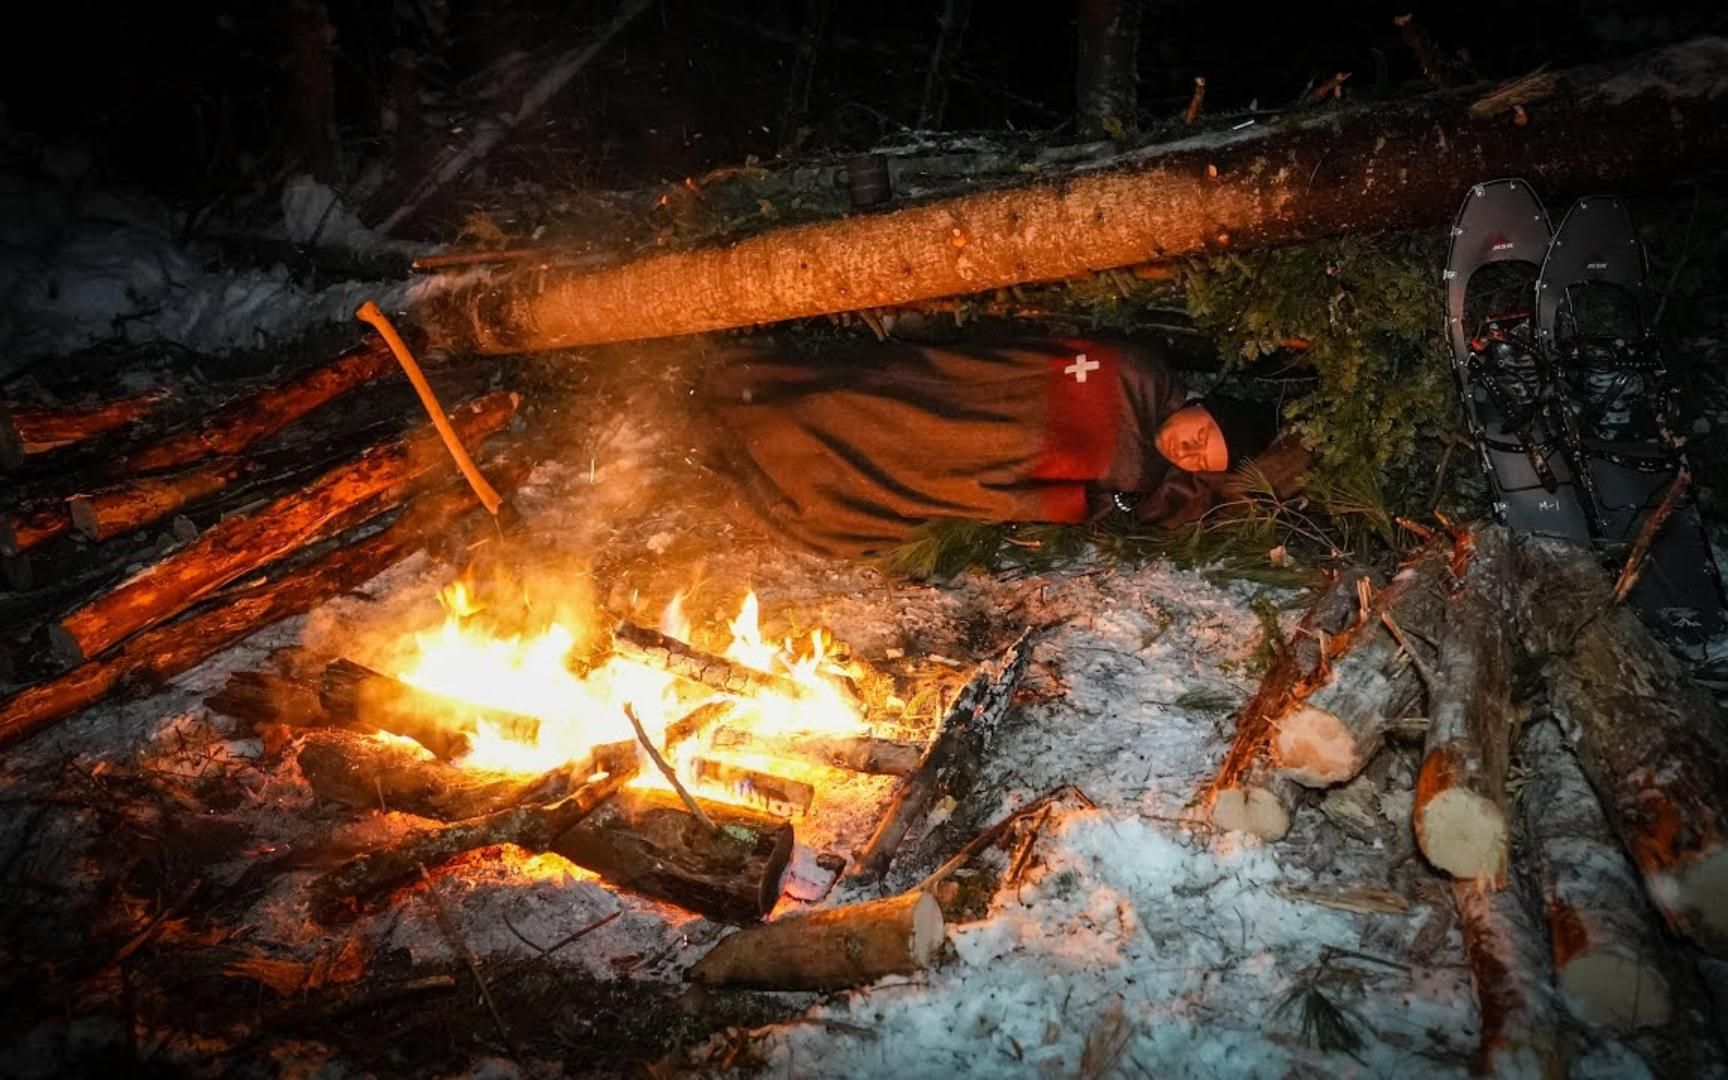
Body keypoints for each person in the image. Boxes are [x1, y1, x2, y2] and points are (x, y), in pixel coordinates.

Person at [700, 334, 1289, 556]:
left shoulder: (1141, 480)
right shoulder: (1133, 370)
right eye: (1200, 436)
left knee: (864, 471)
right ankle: (743, 402)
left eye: (1197, 459)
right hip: (965, 394)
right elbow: (1024, 363)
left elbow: (1057, 498)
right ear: (1200, 405)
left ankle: (742, 449)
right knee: (854, 402)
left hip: (979, 461)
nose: (1186, 450)